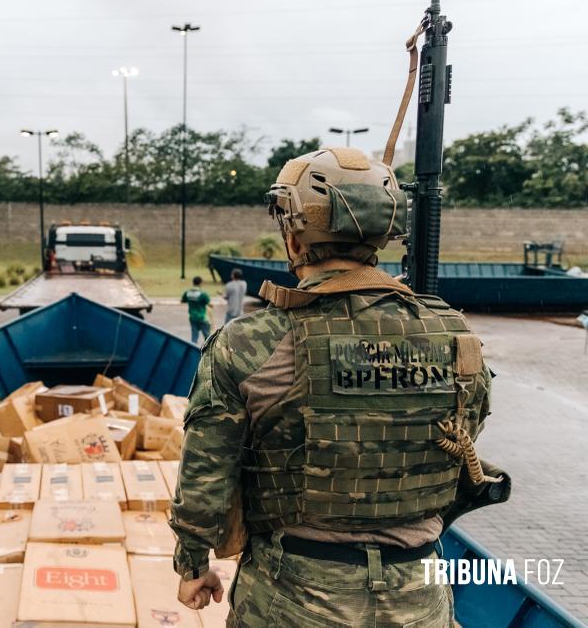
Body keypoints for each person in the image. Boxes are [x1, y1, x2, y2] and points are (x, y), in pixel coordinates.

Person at [170, 147, 509, 626]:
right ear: (383, 233)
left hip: (292, 594)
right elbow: (462, 443)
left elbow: (205, 476)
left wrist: (193, 564)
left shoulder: (250, 342)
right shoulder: (457, 336)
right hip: (418, 593)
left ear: (293, 234)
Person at [181, 276, 211, 344]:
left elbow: (182, 301)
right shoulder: (203, 294)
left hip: (192, 317)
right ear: (200, 283)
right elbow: (209, 304)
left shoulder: (187, 293)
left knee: (194, 337)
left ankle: (193, 350)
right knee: (207, 337)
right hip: (202, 318)